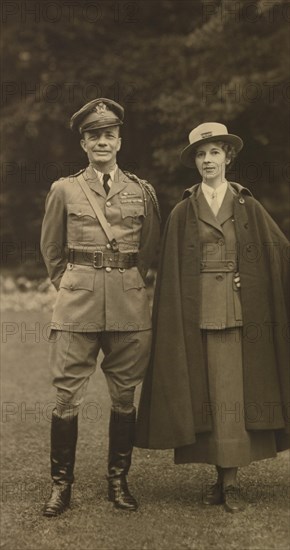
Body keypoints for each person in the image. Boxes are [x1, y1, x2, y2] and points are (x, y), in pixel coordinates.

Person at [135, 122, 289, 513]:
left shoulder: (247, 205)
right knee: (206, 394)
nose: (208, 160)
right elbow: (170, 268)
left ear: (228, 157)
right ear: (195, 162)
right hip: (196, 311)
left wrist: (249, 274)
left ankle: (232, 481)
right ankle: (217, 476)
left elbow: (277, 251)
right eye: (201, 154)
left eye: (215, 152)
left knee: (232, 395)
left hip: (239, 311)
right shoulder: (184, 209)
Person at [40, 97, 160, 516]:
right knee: (66, 397)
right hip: (78, 306)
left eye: (109, 135)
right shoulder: (64, 190)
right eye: (94, 136)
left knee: (124, 396)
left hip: (128, 306)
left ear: (119, 141)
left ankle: (118, 481)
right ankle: (61, 486)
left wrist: (126, 284)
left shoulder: (142, 192)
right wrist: (73, 285)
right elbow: (52, 251)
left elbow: (148, 252)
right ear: (84, 144)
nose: (102, 142)